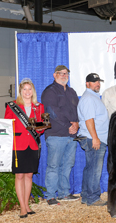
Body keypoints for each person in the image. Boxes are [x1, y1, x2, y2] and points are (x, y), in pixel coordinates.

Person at [4, 78, 45, 218]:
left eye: (29, 89)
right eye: (24, 89)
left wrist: (41, 128)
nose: (27, 92)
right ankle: (22, 206)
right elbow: (7, 125)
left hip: (33, 144)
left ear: (33, 91)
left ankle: (27, 205)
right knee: (19, 175)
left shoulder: (39, 107)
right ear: (21, 91)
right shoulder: (12, 106)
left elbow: (40, 128)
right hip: (18, 145)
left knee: (29, 175)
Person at [41, 65, 79, 205]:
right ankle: (50, 195)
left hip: (71, 135)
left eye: (66, 73)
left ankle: (64, 193)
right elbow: (52, 112)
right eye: (60, 73)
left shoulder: (71, 92)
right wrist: (70, 125)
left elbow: (77, 110)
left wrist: (77, 124)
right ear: (54, 75)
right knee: (54, 166)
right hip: (56, 134)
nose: (64, 75)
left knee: (67, 165)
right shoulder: (50, 91)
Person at [77, 73, 109, 206]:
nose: (97, 84)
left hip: (94, 137)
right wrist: (95, 138)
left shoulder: (93, 97)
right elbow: (89, 120)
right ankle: (93, 198)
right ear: (87, 83)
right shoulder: (89, 98)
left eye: (98, 82)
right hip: (94, 138)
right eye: (94, 82)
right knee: (95, 169)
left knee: (90, 168)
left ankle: (86, 196)